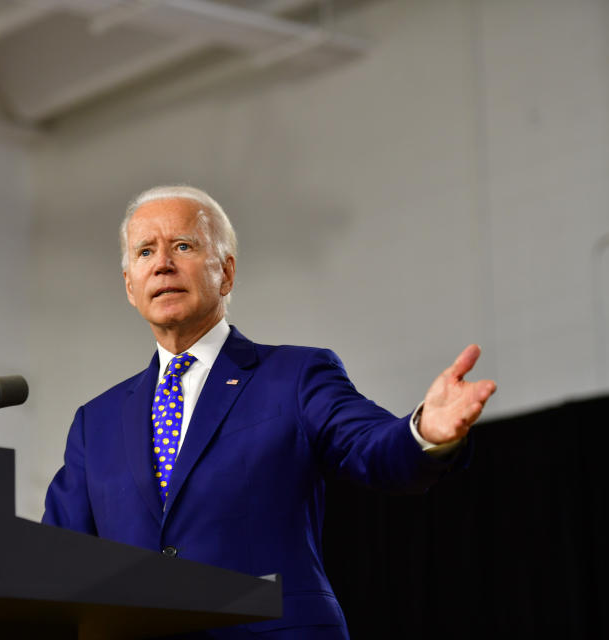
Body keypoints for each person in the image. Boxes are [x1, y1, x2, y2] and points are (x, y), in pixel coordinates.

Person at [42, 185, 497, 639]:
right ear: (129, 285)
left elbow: (372, 449)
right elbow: (55, 561)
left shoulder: (294, 376)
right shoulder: (94, 423)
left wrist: (424, 433)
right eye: (145, 251)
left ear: (226, 273)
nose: (162, 263)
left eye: (183, 246)